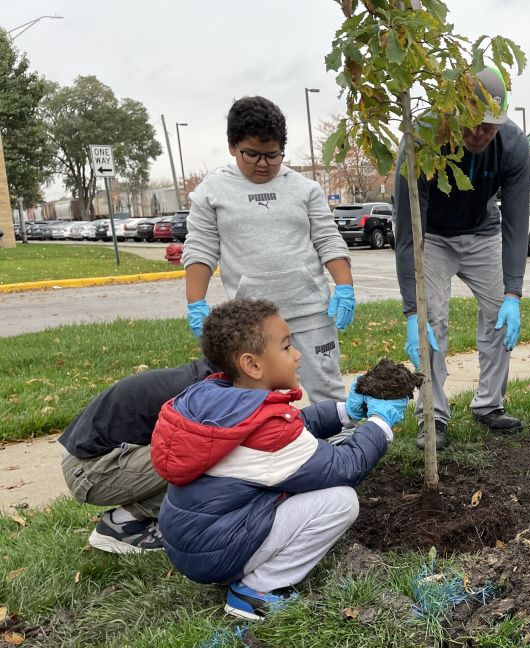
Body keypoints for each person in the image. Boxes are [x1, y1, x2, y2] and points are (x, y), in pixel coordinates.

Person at [150, 299, 408, 621]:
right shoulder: (270, 437)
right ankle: (255, 591)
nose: (298, 355)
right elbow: (344, 467)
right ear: (253, 365)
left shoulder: (223, 398)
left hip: (194, 538)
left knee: (297, 483)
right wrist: (380, 424)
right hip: (212, 551)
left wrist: (347, 412)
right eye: (287, 348)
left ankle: (246, 567)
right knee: (341, 501)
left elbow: (297, 427)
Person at [393, 66, 530, 449]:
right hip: (432, 236)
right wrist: (411, 312)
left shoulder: (514, 146)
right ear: (451, 114)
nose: (478, 135)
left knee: (498, 317)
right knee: (432, 322)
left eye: (488, 127)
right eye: (470, 125)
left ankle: (489, 404)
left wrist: (513, 294)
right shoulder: (420, 139)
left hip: (483, 233)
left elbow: (517, 224)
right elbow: (408, 235)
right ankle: (433, 416)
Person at [182, 96, 354, 403]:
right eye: (252, 154)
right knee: (256, 398)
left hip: (310, 310)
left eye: (272, 155)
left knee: (328, 392)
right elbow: (200, 249)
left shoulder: (305, 189)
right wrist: (197, 304)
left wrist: (344, 286)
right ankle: (271, 449)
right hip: (253, 323)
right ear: (233, 146)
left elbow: (328, 240)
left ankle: (338, 446)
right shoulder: (211, 192)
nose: (263, 164)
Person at [59, 358, 217, 554]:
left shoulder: (206, 376)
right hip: (89, 469)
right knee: (214, 454)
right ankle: (124, 523)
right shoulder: (208, 392)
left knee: (209, 451)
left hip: (96, 457)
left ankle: (148, 515)